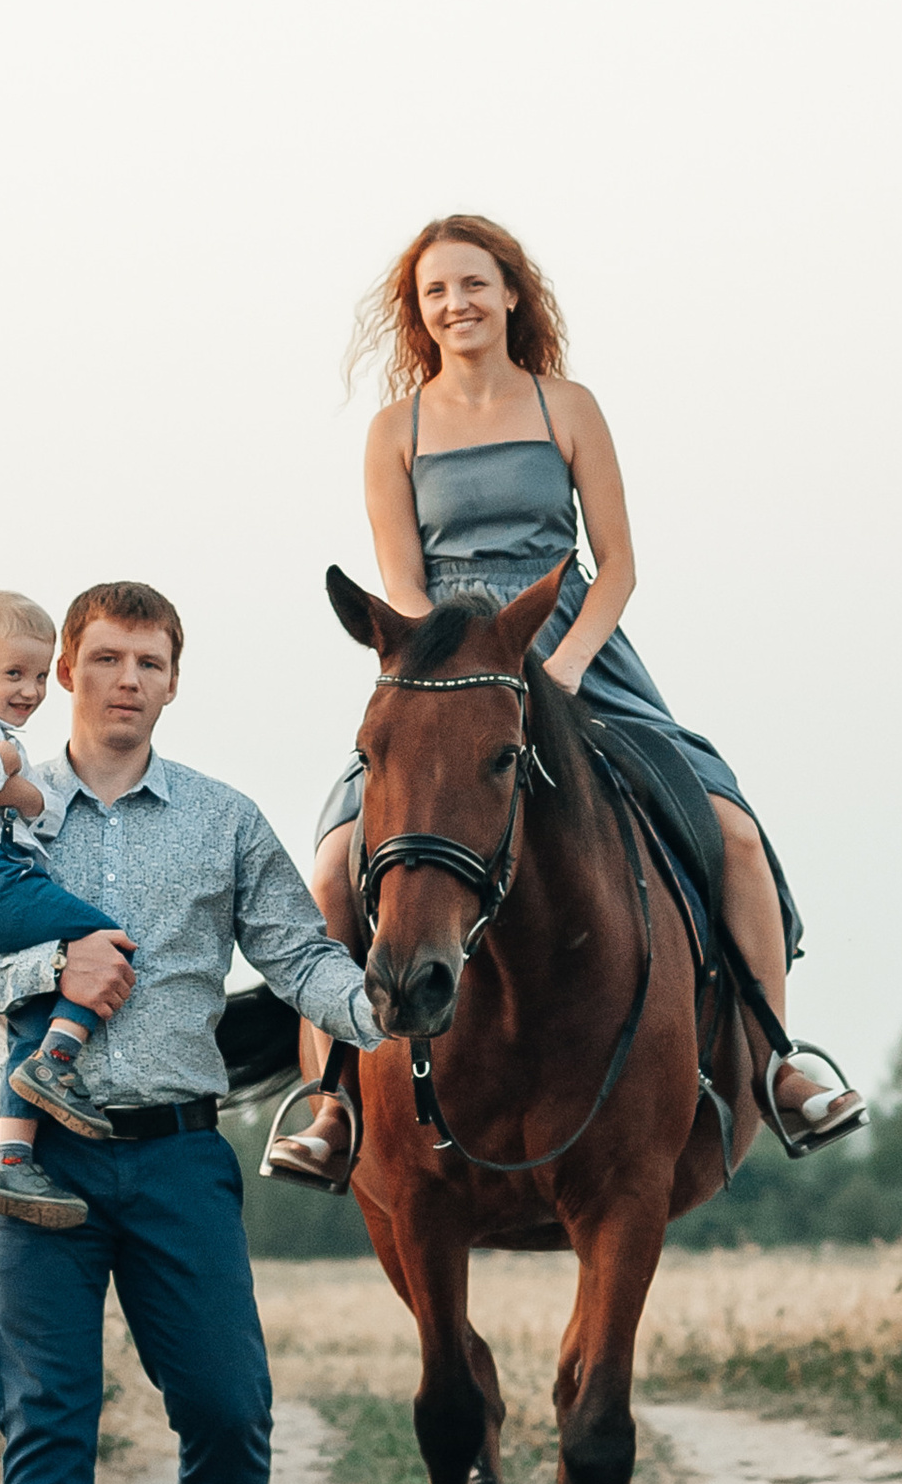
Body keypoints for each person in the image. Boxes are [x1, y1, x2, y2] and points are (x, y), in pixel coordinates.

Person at [268, 212, 864, 1190]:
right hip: (449, 667)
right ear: (418, 314)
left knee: (736, 833)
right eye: (435, 292)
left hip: (578, 653)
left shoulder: (567, 406)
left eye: (472, 282)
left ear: (511, 292)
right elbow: (402, 581)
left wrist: (562, 664)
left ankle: (779, 1057)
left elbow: (618, 564)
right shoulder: (396, 429)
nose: (455, 302)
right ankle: (332, 1098)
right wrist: (469, 670)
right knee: (336, 860)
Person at [0, 577, 380, 1484]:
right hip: (36, 1157)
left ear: (175, 679)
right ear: (64, 669)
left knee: (230, 1408)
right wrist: (37, 978)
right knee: (47, 1424)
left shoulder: (223, 820)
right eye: (106, 656)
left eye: (150, 660)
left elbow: (300, 956)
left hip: (176, 1155)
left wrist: (384, 1015)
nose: (128, 678)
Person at [0, 587, 127, 1219]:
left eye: (39, 676)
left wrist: (25, 795)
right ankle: (58, 1065)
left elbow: (46, 808)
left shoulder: (4, 739)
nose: (30, 690)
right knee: (104, 936)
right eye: (13, 674)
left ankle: (13, 1161)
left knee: (31, 1008)